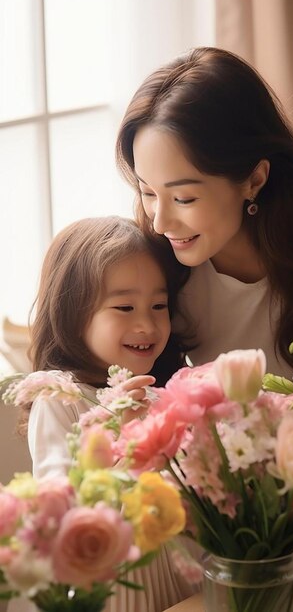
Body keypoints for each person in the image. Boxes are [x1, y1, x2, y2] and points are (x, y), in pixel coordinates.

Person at [116, 46, 293, 590]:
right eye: (147, 192)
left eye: (184, 196)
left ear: (254, 179)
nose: (159, 219)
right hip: (247, 536)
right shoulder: (163, 268)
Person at [11, 215, 198, 612]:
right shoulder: (59, 398)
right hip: (112, 583)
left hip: (174, 576)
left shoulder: (164, 391)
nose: (147, 323)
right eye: (125, 307)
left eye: (159, 305)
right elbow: (59, 507)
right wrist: (120, 442)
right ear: (73, 315)